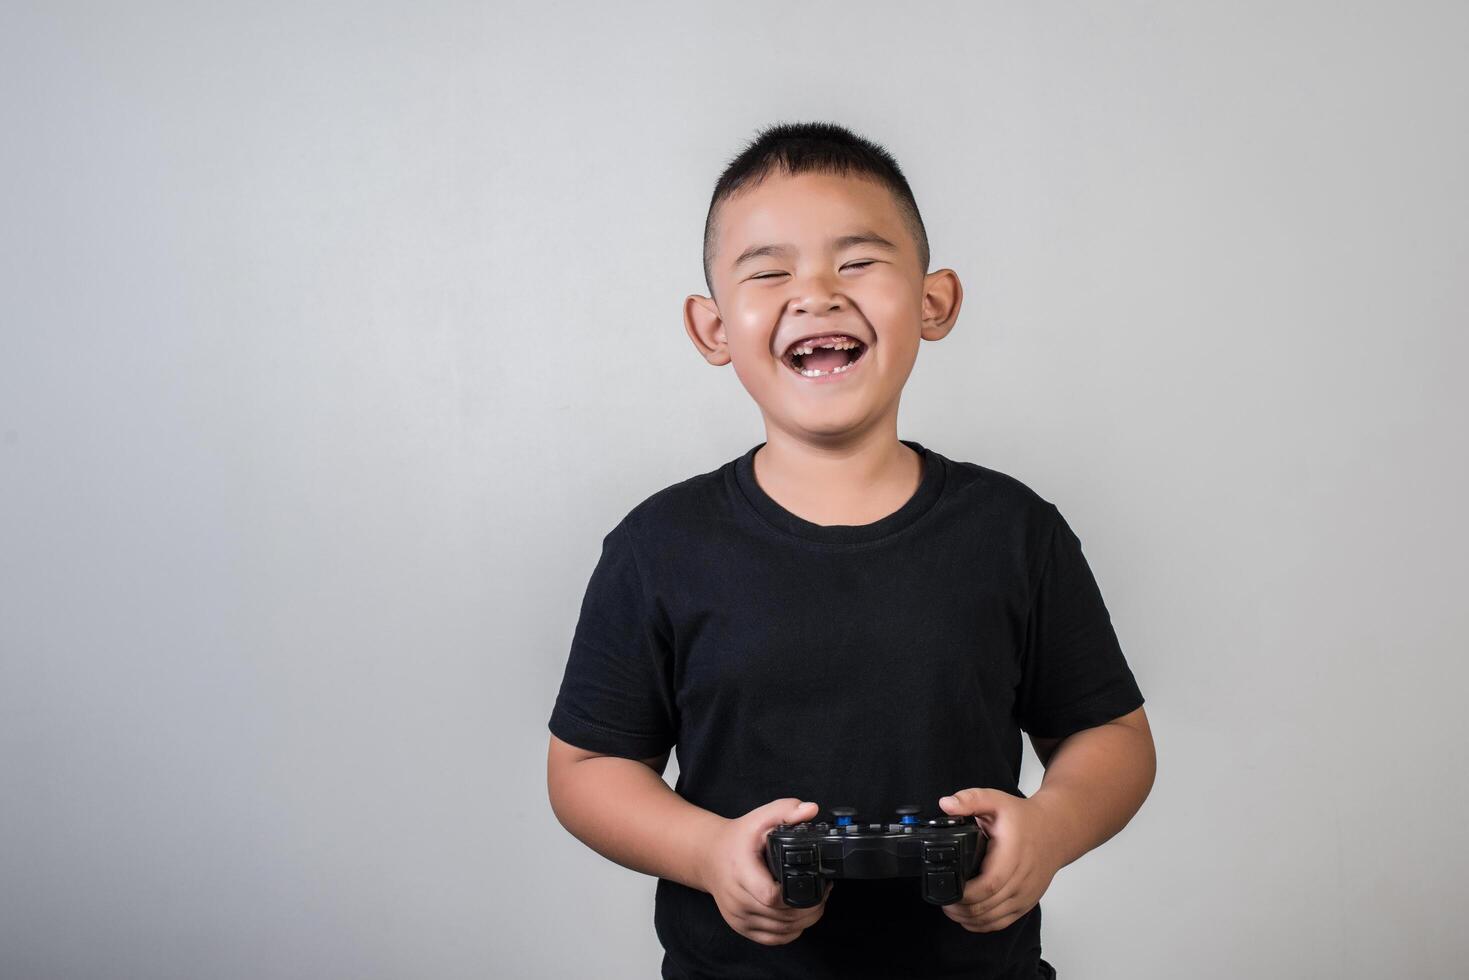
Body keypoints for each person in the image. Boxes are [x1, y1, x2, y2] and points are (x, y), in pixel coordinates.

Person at [545, 120, 1156, 979]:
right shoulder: (659, 546)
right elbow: (587, 767)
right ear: (712, 326)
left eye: (858, 261)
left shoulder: (1014, 531)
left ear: (933, 301)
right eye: (768, 271)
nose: (817, 293)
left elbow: (1110, 734)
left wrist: (1049, 831)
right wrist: (706, 853)